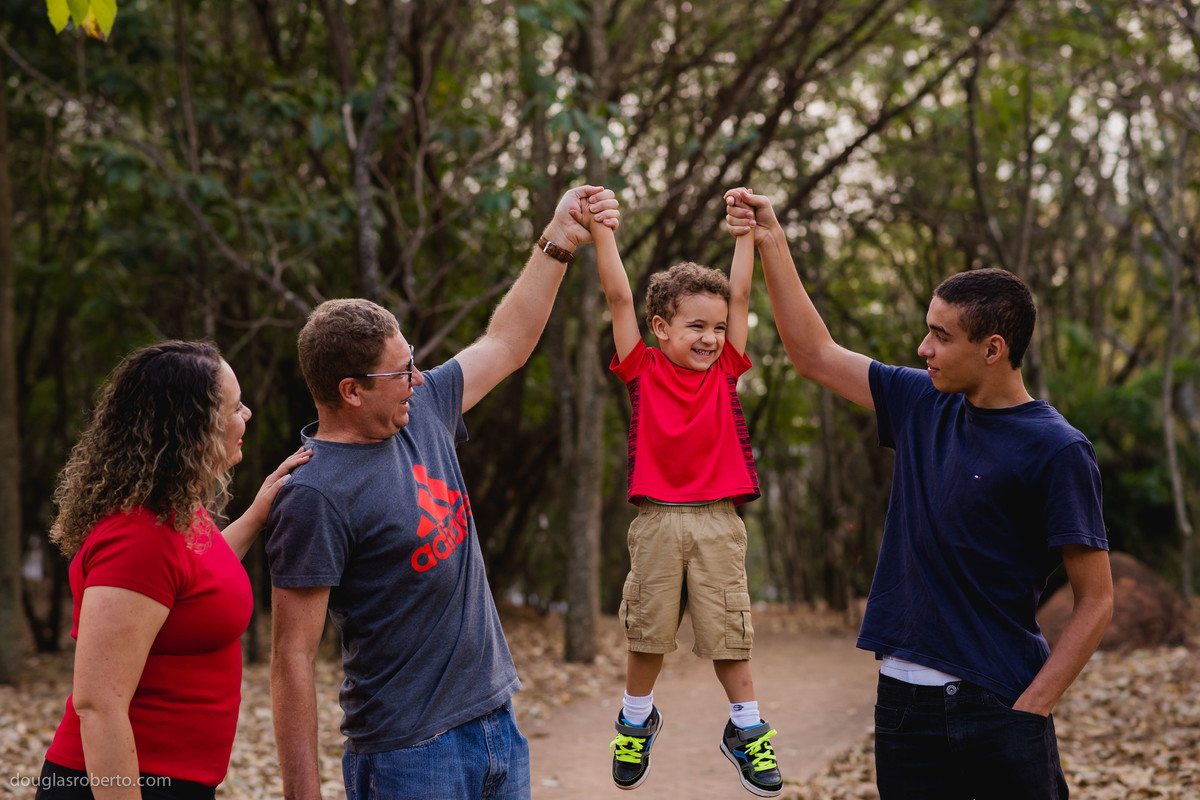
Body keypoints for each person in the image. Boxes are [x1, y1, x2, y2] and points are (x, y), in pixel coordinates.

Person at [725, 188, 1113, 800]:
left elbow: (1096, 601)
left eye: (940, 336)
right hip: (903, 708)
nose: (922, 348)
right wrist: (772, 238)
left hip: (998, 702)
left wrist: (1032, 708)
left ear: (993, 349)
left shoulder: (1058, 449)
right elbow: (814, 355)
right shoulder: (920, 402)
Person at [264, 185, 619, 800]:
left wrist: (558, 240)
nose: (415, 377)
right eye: (398, 371)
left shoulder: (421, 406)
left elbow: (505, 343)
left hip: (496, 726)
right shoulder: (314, 493)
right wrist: (303, 794)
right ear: (350, 390)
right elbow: (292, 656)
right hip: (409, 754)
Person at [36, 340, 311, 800]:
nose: (247, 415)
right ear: (193, 428)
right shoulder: (138, 539)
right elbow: (98, 704)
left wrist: (258, 515)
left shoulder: (174, 513)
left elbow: (193, 586)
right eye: (234, 407)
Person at [589, 201, 783, 797]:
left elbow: (744, 298)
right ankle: (634, 719)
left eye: (717, 327)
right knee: (647, 635)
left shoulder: (725, 370)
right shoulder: (640, 369)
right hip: (655, 523)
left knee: (729, 635)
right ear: (661, 328)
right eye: (696, 326)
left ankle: (747, 732)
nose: (711, 337)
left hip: (719, 523)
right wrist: (603, 232)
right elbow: (620, 300)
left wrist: (745, 237)